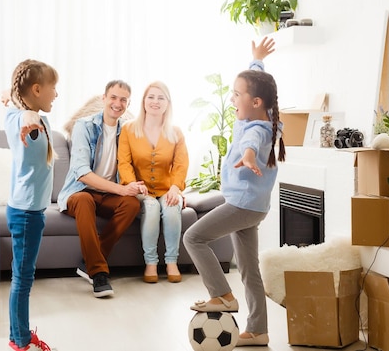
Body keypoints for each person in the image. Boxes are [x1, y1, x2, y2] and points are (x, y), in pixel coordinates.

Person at [183, 39, 284, 347]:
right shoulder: (262, 114)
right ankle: (257, 331)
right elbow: (256, 83)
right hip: (253, 206)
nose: (232, 98)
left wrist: (250, 156)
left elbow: (250, 143)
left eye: (237, 95)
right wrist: (257, 60)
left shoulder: (257, 129)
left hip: (243, 206)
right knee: (250, 270)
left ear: (255, 102)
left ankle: (222, 296)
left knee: (193, 238)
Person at [57, 80, 143, 298]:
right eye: (113, 97)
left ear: (128, 103)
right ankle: (99, 274)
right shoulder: (84, 126)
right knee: (85, 200)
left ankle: (88, 262)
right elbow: (82, 173)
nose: (117, 103)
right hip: (79, 192)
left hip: (108, 195)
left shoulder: (128, 130)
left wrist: (133, 187)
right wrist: (121, 189)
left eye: (123, 100)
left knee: (132, 204)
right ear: (104, 98)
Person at [4, 59, 58, 351]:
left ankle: (18, 334)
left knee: (19, 277)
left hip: (25, 210)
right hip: (26, 213)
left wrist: (24, 107)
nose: (56, 94)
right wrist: (29, 115)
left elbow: (8, 96)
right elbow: (27, 120)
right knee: (23, 280)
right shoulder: (26, 119)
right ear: (36, 89)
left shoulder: (15, 113)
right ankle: (21, 341)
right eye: (53, 88)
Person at [117, 81, 189, 283]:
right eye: (151, 97)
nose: (155, 102)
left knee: (172, 207)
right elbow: (124, 163)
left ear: (168, 103)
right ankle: (150, 263)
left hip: (167, 188)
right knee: (150, 208)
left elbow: (180, 165)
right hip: (139, 188)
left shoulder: (176, 132)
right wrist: (133, 185)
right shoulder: (129, 129)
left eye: (160, 98)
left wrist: (175, 188)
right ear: (143, 101)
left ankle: (171, 262)